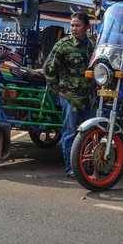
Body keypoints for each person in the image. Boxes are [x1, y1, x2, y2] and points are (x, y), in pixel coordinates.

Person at [44, 12, 97, 178]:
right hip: (70, 97)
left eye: (77, 25)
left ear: (87, 27)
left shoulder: (93, 45)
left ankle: (87, 166)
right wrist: (57, 90)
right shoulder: (63, 45)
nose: (73, 29)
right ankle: (71, 168)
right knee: (70, 134)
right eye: (72, 25)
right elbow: (49, 70)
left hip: (89, 97)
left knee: (89, 133)